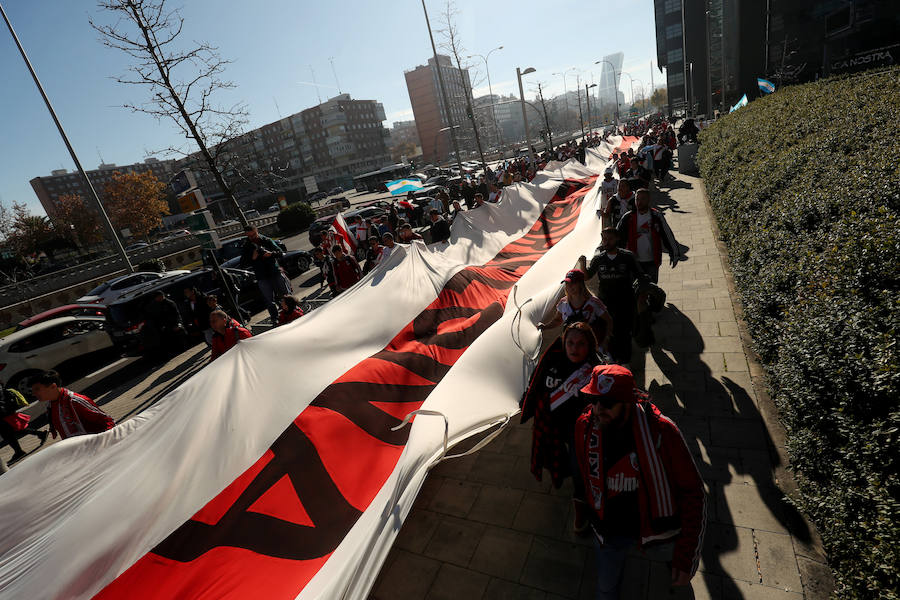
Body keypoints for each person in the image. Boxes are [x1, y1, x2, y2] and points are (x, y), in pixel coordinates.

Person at [574, 364, 705, 599]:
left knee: (677, 587)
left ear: (628, 401)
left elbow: (693, 492)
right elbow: (584, 472)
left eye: (607, 402)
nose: (597, 409)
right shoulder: (585, 426)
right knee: (605, 589)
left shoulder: (662, 432)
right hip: (608, 532)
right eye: (593, 399)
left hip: (659, 533)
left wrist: (686, 558)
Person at [521, 322, 604, 533]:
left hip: (580, 432)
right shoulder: (551, 360)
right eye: (570, 343)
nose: (574, 348)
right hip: (552, 426)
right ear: (564, 343)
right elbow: (537, 383)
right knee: (556, 459)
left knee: (580, 469)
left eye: (581, 344)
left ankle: (580, 501)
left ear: (590, 345)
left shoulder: (596, 372)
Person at [580, 228, 647, 364]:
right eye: (604, 239)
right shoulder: (599, 259)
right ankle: (613, 361)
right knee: (609, 331)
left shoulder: (627, 256)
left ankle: (626, 361)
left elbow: (640, 275)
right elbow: (587, 277)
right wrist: (582, 263)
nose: (606, 242)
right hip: (606, 303)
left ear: (617, 238)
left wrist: (641, 295)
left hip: (625, 302)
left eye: (609, 239)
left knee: (625, 332)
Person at [538, 269, 613, 356]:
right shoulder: (563, 303)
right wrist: (545, 327)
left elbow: (608, 321)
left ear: (581, 284)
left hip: (591, 346)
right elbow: (557, 320)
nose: (570, 287)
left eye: (573, 283)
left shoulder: (593, 302)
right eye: (567, 284)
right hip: (570, 346)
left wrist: (605, 341)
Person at [616, 188, 681, 283]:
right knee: (634, 290)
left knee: (652, 289)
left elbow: (667, 235)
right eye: (637, 199)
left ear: (648, 200)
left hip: (652, 261)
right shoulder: (628, 217)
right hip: (633, 262)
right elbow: (617, 236)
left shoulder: (656, 216)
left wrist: (674, 254)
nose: (639, 202)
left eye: (642, 199)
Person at [30, 370, 114, 441]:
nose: (33, 394)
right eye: (33, 390)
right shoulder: (50, 405)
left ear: (53, 386)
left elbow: (107, 421)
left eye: (37, 389)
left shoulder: (75, 401)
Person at [240, 225, 290, 322]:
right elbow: (242, 263)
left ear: (257, 231)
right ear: (246, 235)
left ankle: (291, 310)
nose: (252, 237)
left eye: (254, 235)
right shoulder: (246, 246)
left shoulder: (266, 240)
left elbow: (281, 252)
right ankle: (275, 318)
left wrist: (271, 254)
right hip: (261, 276)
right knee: (269, 300)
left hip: (274, 272)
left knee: (285, 294)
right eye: (249, 236)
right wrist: (252, 258)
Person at [0, 384, 47, 463]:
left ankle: (19, 451)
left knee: (8, 433)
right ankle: (40, 434)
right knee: (12, 431)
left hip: (4, 413)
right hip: (5, 412)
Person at [142, 290, 186, 360]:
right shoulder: (154, 305)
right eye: (157, 297)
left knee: (178, 340)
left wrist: (178, 323)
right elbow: (154, 317)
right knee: (167, 342)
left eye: (160, 297)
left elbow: (177, 314)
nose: (159, 298)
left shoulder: (170, 303)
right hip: (163, 328)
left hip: (173, 325)